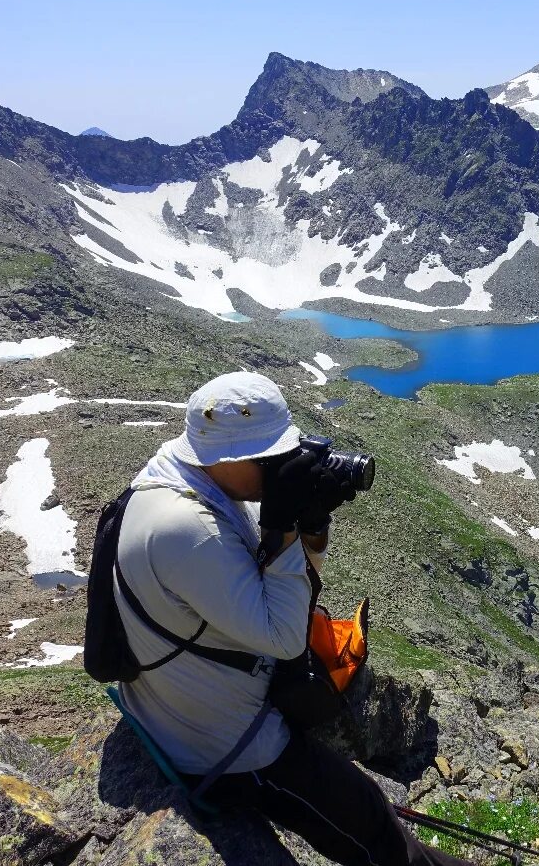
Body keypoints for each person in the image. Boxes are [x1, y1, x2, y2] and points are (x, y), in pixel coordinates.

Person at [114, 371, 474, 866]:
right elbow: (285, 636)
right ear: (231, 456)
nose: (281, 465)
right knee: (370, 824)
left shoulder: (184, 477)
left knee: (363, 800)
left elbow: (280, 594)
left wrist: (312, 525)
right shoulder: (186, 529)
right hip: (222, 743)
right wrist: (281, 525)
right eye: (270, 456)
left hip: (195, 694)